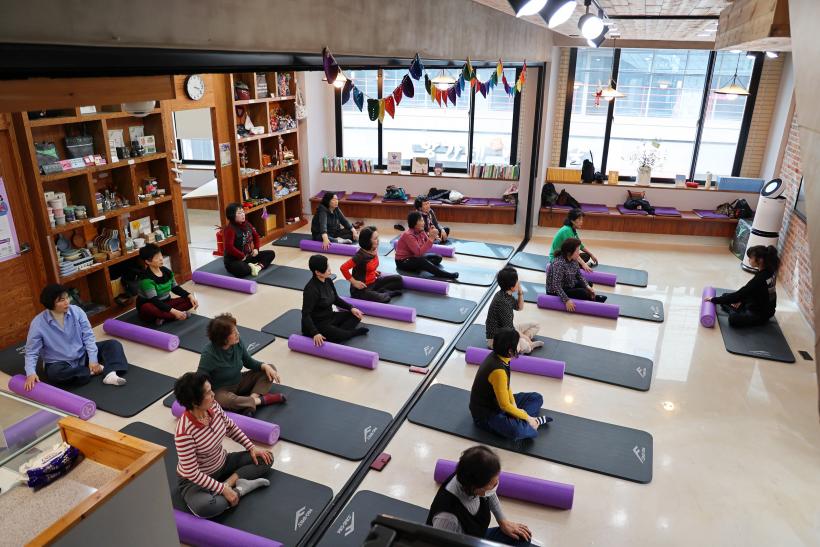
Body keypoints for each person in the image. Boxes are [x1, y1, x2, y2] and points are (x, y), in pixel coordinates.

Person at [174, 371, 273, 519]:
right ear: (194, 402)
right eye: (208, 393)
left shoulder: (213, 406)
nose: (213, 394)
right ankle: (240, 489)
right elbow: (192, 473)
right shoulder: (184, 432)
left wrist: (251, 448)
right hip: (195, 480)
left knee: (266, 458)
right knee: (205, 507)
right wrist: (222, 489)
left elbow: (230, 428)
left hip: (222, 462)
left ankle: (230, 483)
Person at [24, 284, 128, 391]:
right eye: (61, 300)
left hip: (82, 353)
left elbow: (88, 336)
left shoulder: (77, 311)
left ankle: (110, 374)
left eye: (67, 297)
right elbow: (31, 351)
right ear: (51, 304)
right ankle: (92, 371)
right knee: (55, 374)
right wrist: (30, 373)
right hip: (59, 362)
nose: (67, 302)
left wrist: (93, 360)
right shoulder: (38, 323)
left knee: (113, 344)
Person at [427, 445, 534, 546]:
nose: (496, 485)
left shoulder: (468, 477)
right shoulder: (448, 519)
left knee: (522, 537)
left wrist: (503, 522)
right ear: (475, 487)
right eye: (493, 484)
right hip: (460, 543)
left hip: (475, 537)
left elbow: (490, 494)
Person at [469, 329, 551, 441]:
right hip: (486, 414)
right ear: (510, 351)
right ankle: (530, 423)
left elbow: (506, 387)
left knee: (536, 397)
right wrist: (526, 417)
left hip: (498, 404)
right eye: (518, 342)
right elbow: (504, 406)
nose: (520, 343)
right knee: (518, 431)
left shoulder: (500, 356)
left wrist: (515, 406)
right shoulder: (498, 371)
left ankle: (524, 422)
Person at [197, 314, 285, 416]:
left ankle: (251, 401)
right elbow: (200, 378)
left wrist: (265, 366)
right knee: (218, 400)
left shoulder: (237, 342)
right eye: (234, 333)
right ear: (223, 338)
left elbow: (248, 362)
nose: (238, 334)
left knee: (269, 369)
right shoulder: (209, 354)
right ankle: (260, 401)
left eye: (236, 330)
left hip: (239, 381)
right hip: (221, 390)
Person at [705, 245, 779, 327]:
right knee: (725, 296)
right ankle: (737, 307)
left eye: (751, 258)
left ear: (760, 260)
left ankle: (733, 310)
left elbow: (741, 293)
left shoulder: (759, 279)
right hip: (763, 306)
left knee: (733, 319)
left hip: (760, 314)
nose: (749, 260)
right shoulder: (770, 271)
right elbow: (756, 292)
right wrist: (741, 300)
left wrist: (713, 300)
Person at [302, 254, 368, 346]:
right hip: (318, 323)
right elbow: (306, 314)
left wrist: (351, 308)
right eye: (326, 268)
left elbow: (335, 299)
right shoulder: (311, 290)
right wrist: (315, 333)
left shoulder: (328, 280)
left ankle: (337, 332)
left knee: (356, 315)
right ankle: (348, 333)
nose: (330, 269)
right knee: (340, 336)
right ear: (317, 272)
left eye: (328, 265)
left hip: (330, 316)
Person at [136, 243, 198, 325]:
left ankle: (163, 318)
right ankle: (174, 316)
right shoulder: (146, 280)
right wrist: (174, 312)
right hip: (152, 306)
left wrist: (189, 295)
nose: (161, 259)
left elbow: (175, 288)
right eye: (157, 258)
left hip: (166, 303)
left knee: (190, 301)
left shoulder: (166, 271)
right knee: (147, 307)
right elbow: (155, 301)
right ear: (148, 261)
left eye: (160, 255)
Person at [485, 267, 542, 354]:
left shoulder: (506, 294)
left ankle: (523, 340)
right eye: (517, 281)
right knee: (525, 345)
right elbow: (509, 330)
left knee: (536, 325)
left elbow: (519, 307)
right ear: (512, 287)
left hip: (509, 328)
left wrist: (520, 291)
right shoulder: (502, 302)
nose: (518, 282)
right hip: (497, 339)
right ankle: (526, 344)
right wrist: (525, 338)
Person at [339, 226, 403, 303]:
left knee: (398, 280)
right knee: (384, 298)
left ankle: (380, 291)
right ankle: (385, 293)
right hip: (361, 288)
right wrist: (354, 282)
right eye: (375, 239)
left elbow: (368, 266)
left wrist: (373, 271)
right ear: (367, 241)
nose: (378, 240)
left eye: (378, 237)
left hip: (373, 282)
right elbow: (343, 268)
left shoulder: (374, 249)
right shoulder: (360, 256)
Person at [546, 238, 607, 312]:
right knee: (583, 292)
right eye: (577, 251)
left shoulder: (574, 260)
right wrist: (566, 300)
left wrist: (587, 287)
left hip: (567, 284)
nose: (579, 253)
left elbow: (579, 275)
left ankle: (589, 295)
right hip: (555, 291)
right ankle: (592, 299)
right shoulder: (559, 264)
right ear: (569, 252)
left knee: (589, 284)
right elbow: (556, 285)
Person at [394, 212, 458, 280]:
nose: (423, 223)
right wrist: (431, 238)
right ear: (414, 223)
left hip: (414, 257)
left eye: (423, 220)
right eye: (421, 221)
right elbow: (419, 253)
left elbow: (428, 244)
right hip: (403, 262)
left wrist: (432, 235)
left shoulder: (421, 231)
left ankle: (421, 266)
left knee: (437, 257)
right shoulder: (408, 235)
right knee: (421, 261)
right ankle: (446, 274)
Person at [223, 202, 275, 278]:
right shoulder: (230, 229)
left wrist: (256, 249)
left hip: (248, 256)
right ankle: (252, 267)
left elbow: (256, 236)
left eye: (243, 212)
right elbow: (229, 247)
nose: (243, 214)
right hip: (235, 260)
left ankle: (257, 268)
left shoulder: (247, 224)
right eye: (239, 213)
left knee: (270, 254)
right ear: (232, 215)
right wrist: (241, 255)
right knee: (242, 269)